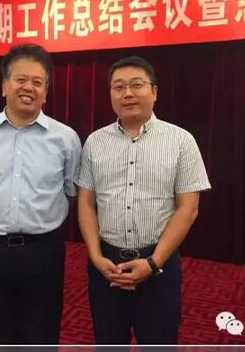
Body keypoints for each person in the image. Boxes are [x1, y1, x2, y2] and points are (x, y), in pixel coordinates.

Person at [76, 55, 211, 346]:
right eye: (118, 87)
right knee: (107, 341)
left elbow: (188, 208)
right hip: (106, 265)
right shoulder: (95, 142)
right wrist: (96, 257)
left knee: (159, 341)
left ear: (154, 91)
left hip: (158, 265)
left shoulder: (181, 141)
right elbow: (86, 203)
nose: (127, 93)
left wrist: (153, 262)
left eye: (136, 85)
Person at [0, 43, 82, 346]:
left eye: (38, 82)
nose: (28, 88)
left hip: (43, 251)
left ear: (46, 91)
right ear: (4, 86)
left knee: (41, 334)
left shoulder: (65, 138)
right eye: (20, 79)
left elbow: (71, 190)